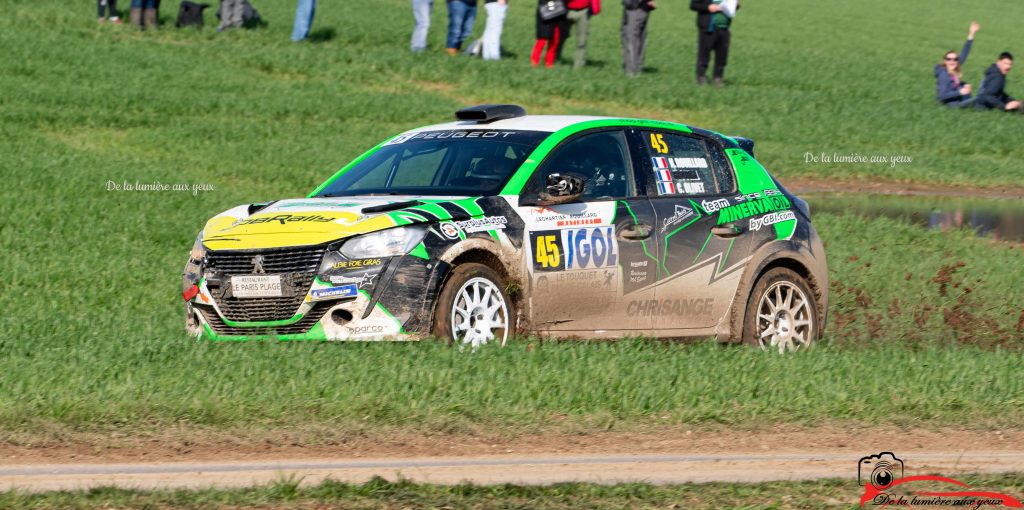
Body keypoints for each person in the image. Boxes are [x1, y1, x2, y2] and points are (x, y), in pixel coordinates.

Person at [690, 0, 739, 86]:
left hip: (724, 28)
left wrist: (736, 4)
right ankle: (701, 76)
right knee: (704, 54)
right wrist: (708, 7)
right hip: (708, 27)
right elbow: (693, 5)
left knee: (722, 56)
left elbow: (732, 8)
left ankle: (718, 78)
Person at [935, 22, 980, 108]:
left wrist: (971, 34)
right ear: (945, 61)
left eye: (955, 59)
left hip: (958, 101)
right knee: (981, 99)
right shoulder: (943, 75)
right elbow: (941, 96)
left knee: (981, 100)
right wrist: (960, 92)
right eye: (949, 59)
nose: (952, 61)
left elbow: (964, 53)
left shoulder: (954, 69)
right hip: (952, 106)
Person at [621, 0, 654, 76]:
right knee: (638, 38)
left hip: (636, 7)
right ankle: (637, 68)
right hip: (635, 7)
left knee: (631, 38)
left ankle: (632, 71)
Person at [532, 0, 568, 67]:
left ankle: (549, 63)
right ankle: (534, 62)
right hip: (546, 12)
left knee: (555, 41)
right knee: (542, 39)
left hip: (558, 13)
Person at [566, 0, 601, 68]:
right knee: (560, 37)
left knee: (582, 41)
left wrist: (595, 8)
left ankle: (578, 65)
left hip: (583, 11)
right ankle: (555, 58)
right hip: (567, 10)